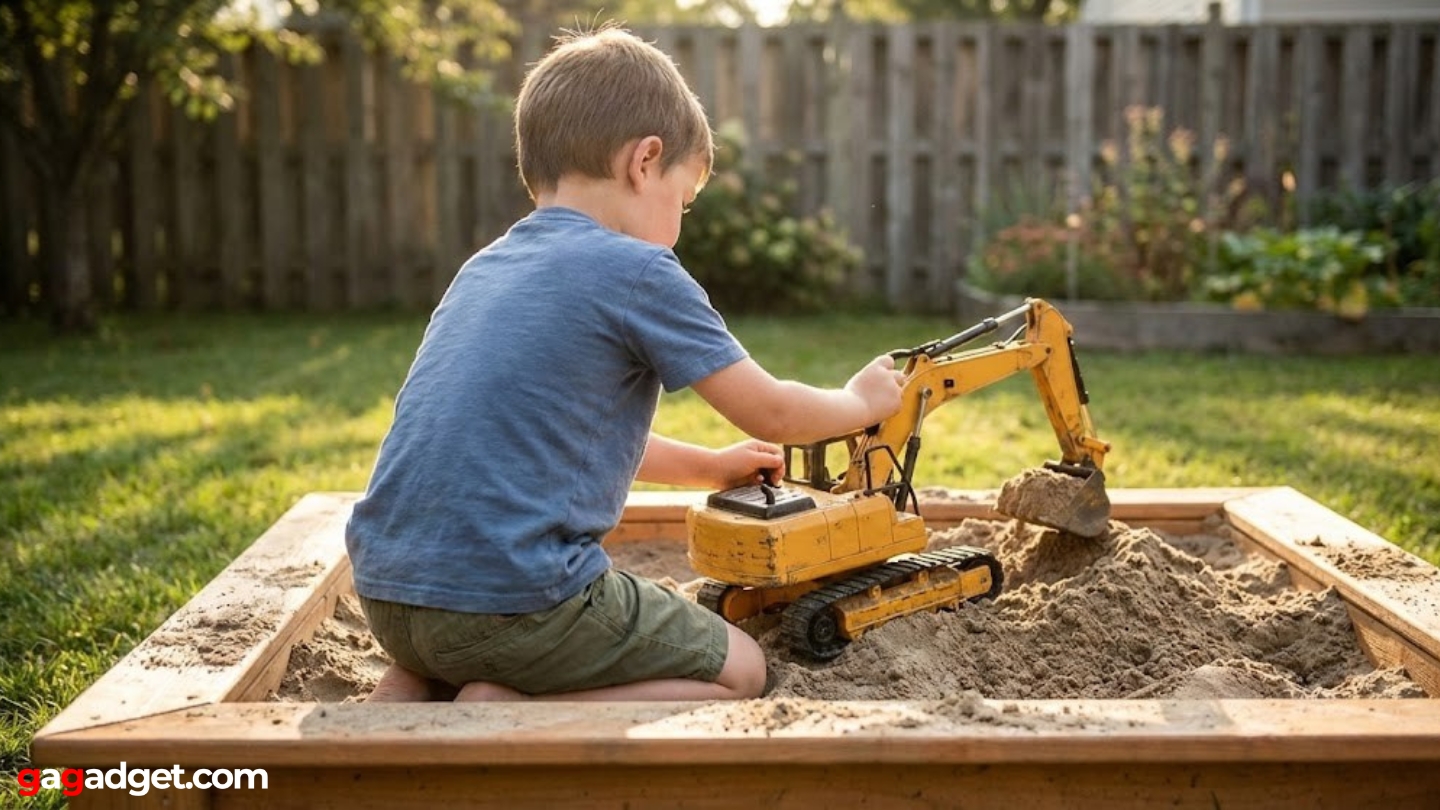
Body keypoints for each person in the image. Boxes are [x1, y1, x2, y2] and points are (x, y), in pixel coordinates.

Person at [345, 25, 905, 703]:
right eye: (685, 200)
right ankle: (512, 710)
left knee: (449, 651)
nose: (680, 222)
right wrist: (861, 401)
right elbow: (775, 411)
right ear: (645, 162)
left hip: (393, 595)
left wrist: (711, 466)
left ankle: (397, 713)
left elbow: (556, 437)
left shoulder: (487, 268)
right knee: (744, 671)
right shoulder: (638, 269)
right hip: (520, 604)